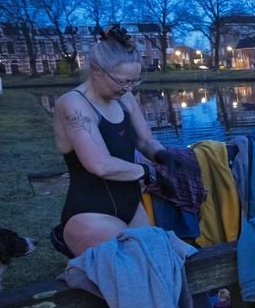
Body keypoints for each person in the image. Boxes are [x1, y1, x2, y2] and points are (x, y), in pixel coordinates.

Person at [53, 25, 176, 257]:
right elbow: (99, 164)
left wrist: (164, 156)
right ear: (96, 71)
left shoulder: (125, 97)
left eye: (134, 81)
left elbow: (145, 140)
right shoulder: (73, 104)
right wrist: (148, 173)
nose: (128, 88)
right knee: (139, 268)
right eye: (122, 81)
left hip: (130, 206)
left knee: (162, 257)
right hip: (90, 215)